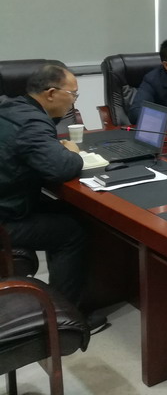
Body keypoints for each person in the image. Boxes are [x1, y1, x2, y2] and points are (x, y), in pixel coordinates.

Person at [0, 65, 105, 329]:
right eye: (73, 94)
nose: (73, 101)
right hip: (5, 219)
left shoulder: (11, 108)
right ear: (50, 93)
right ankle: (65, 320)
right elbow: (61, 168)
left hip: (9, 198)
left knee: (68, 210)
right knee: (71, 232)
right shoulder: (32, 122)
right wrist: (73, 153)